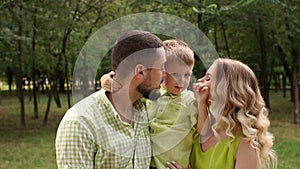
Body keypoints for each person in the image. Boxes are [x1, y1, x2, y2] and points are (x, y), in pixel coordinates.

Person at [55, 30, 166, 169]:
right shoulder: (80, 123)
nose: (165, 76)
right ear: (140, 72)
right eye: (161, 68)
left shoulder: (142, 110)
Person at [101, 39, 208, 169]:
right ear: (162, 72)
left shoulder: (191, 101)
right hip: (147, 164)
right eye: (175, 74)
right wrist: (106, 79)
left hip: (175, 166)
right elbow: (127, 89)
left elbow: (203, 130)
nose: (181, 81)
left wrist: (202, 103)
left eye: (187, 75)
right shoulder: (151, 94)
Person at [167, 58, 278, 169]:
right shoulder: (196, 126)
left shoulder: (245, 144)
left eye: (208, 78)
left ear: (226, 90)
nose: (199, 81)